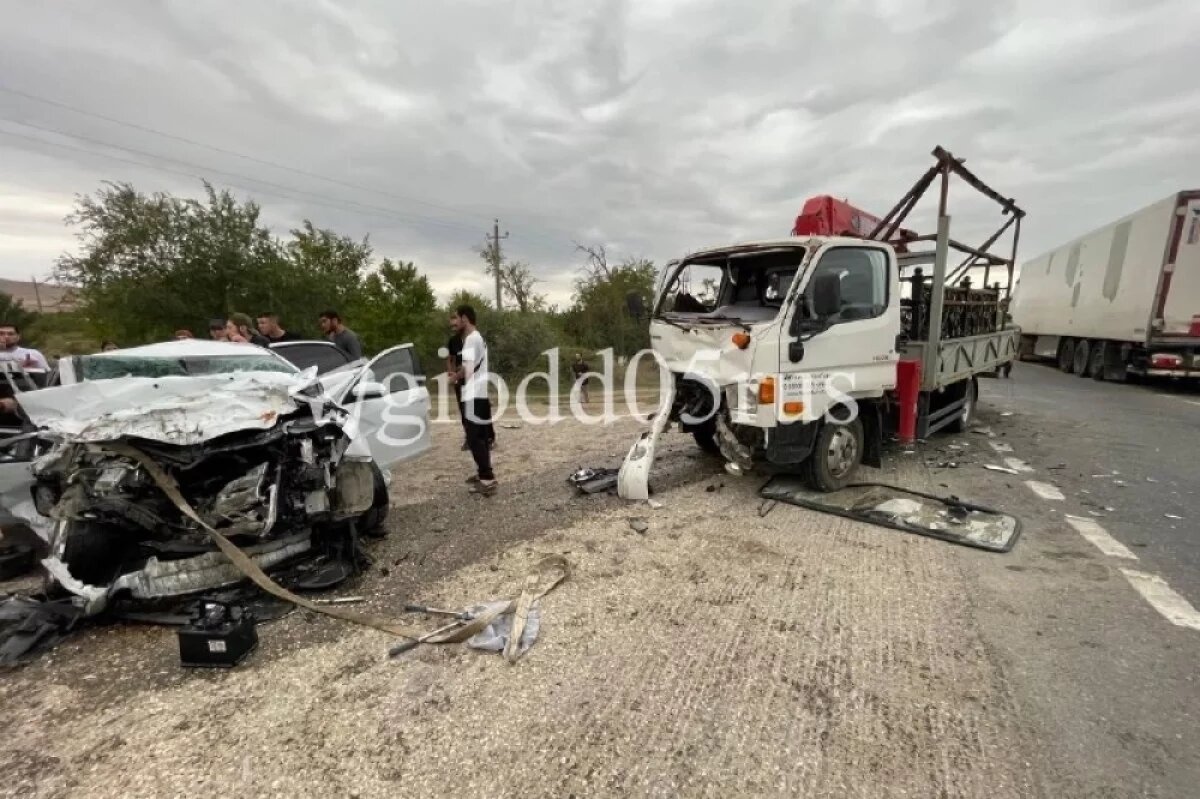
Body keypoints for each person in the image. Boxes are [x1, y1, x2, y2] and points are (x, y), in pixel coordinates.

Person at [450, 305, 496, 495]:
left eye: (457, 318)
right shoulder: (479, 338)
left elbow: (467, 370)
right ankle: (484, 474)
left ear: (465, 318)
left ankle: (487, 480)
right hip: (481, 394)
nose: (455, 322)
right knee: (482, 437)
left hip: (473, 395)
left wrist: (455, 376)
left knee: (474, 438)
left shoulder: (470, 340)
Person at [445, 321, 469, 451]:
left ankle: (486, 437)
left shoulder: (471, 339)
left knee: (475, 407)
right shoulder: (453, 341)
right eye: (452, 327)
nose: (454, 329)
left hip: (471, 378)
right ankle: (468, 437)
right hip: (459, 379)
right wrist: (451, 373)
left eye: (456, 326)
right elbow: (450, 359)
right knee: (463, 408)